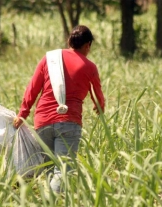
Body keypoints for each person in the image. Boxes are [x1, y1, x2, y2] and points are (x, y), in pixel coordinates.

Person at [13, 25, 105, 192]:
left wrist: (22, 114)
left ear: (69, 41)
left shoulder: (49, 59)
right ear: (88, 45)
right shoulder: (90, 67)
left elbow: (32, 88)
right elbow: (97, 95)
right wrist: (100, 106)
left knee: (50, 170)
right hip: (69, 122)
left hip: (42, 122)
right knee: (63, 171)